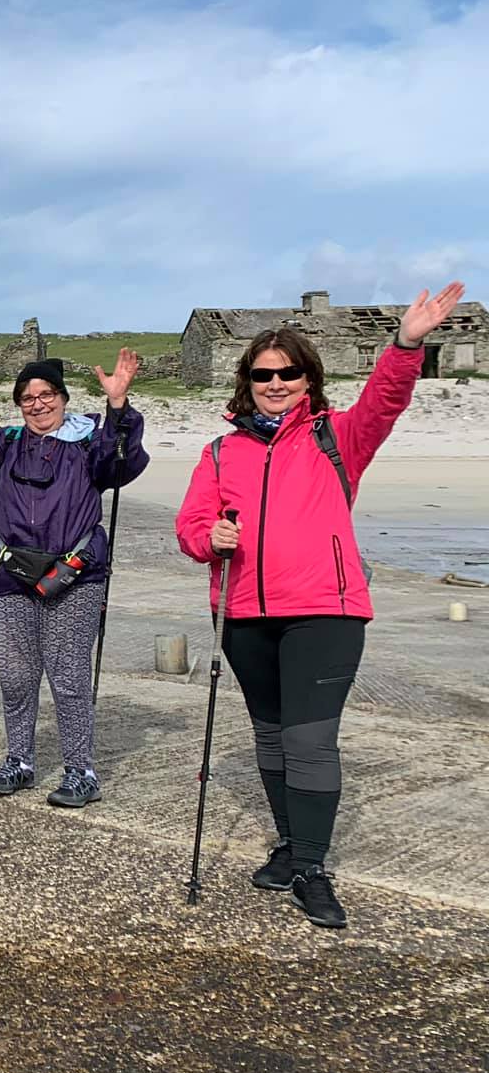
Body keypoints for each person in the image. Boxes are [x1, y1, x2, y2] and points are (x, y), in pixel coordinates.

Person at [175, 282, 466, 928]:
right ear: (246, 382)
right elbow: (191, 524)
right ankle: (289, 843)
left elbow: (386, 401)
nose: (275, 383)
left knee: (310, 741)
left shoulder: (340, 437)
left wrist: (406, 343)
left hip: (324, 612)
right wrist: (208, 537)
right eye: (262, 374)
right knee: (273, 740)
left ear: (309, 380)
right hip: (244, 615)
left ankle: (311, 866)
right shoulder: (221, 451)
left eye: (288, 374)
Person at [0, 353, 148, 806]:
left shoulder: (89, 439)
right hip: (8, 574)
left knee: (69, 677)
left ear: (64, 398)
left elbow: (120, 465)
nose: (37, 405)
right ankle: (20, 761)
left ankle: (80, 771)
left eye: (46, 395)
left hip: (74, 575)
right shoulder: (5, 442)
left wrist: (118, 405)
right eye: (27, 398)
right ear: (18, 405)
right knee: (15, 677)